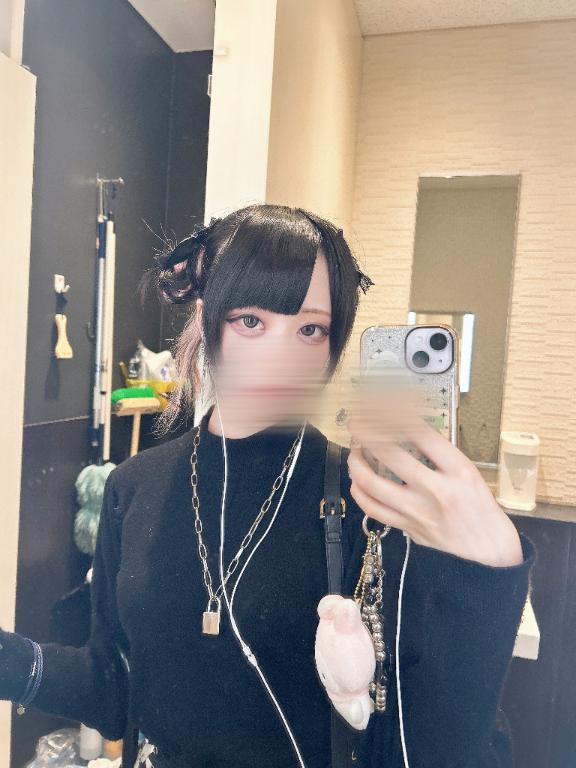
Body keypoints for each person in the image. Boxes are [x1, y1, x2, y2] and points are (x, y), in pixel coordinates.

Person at [0, 204, 535, 768]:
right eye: (251, 322)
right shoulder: (133, 488)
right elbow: (118, 682)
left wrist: (485, 574)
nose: (281, 358)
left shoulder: (366, 499)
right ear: (206, 318)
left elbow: (417, 748)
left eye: (310, 329)